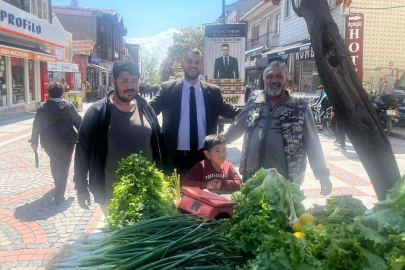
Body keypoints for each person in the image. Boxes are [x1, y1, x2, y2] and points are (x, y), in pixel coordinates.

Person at [224, 61, 332, 196]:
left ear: (286, 80)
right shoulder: (255, 102)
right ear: (264, 80)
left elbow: (313, 142)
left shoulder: (299, 106)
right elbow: (236, 127)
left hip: (284, 185)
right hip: (252, 180)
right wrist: (217, 142)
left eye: (279, 76)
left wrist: (322, 175)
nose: (274, 80)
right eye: (269, 76)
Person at [73, 60, 165, 212]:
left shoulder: (146, 109)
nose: (130, 86)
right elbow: (82, 150)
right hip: (113, 195)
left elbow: (159, 144)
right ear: (114, 81)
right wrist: (81, 187)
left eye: (134, 81)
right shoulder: (97, 112)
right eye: (124, 81)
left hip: (148, 191)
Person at [150, 49, 241, 177]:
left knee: (203, 195)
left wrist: (254, 112)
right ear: (182, 63)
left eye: (197, 62)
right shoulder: (167, 89)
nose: (193, 65)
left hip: (204, 157)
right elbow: (149, 111)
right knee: (175, 196)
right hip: (174, 159)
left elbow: (232, 112)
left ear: (202, 66)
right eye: (189, 61)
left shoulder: (213, 92)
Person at [30, 82, 82, 204]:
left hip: (49, 142)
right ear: (62, 92)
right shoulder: (69, 106)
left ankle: (58, 186)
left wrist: (34, 142)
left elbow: (36, 125)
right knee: (64, 166)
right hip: (67, 142)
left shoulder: (43, 107)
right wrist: (85, 137)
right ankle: (59, 194)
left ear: (49, 93)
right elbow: (79, 122)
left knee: (54, 162)